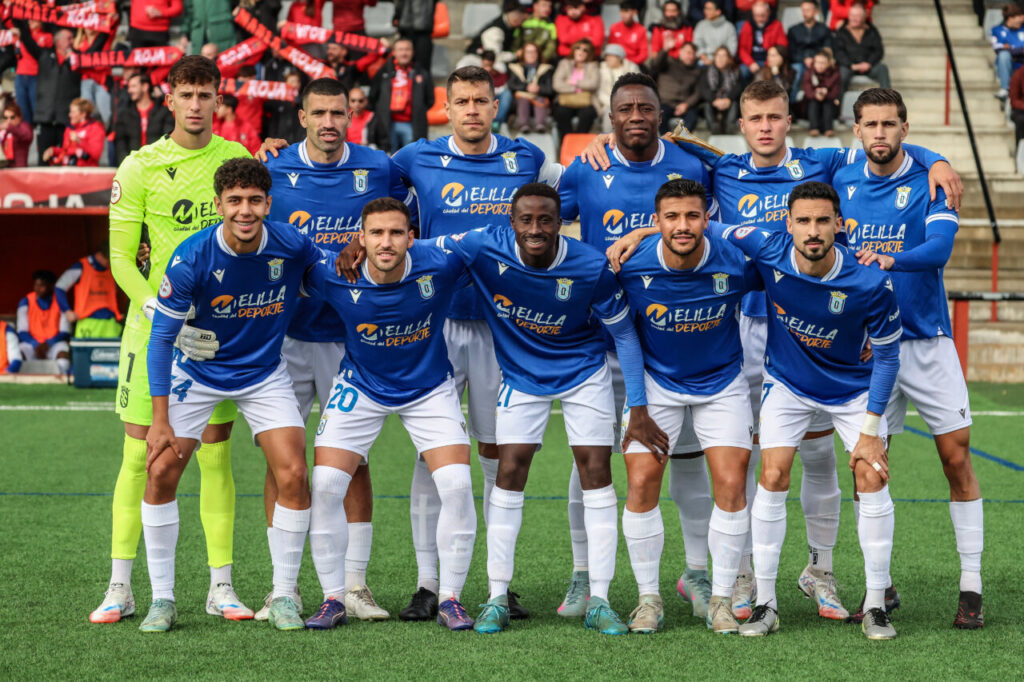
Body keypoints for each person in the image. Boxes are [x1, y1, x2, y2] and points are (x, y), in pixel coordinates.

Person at [598, 79, 961, 624]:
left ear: (790, 120)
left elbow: (884, 143)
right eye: (755, 118)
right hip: (745, 325)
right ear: (740, 126)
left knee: (817, 457)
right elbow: (692, 217)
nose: (765, 126)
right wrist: (648, 231)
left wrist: (935, 160)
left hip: (815, 324)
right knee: (749, 459)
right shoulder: (721, 169)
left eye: (774, 116)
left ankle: (821, 569)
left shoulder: (824, 162)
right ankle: (741, 574)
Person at [338, 65, 562, 622]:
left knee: (493, 451)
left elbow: (571, 188)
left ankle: (493, 583)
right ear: (445, 106)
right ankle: (428, 583)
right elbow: (369, 202)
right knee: (431, 452)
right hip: (434, 322)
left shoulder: (528, 159)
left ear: (496, 105)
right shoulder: (414, 158)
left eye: (481, 101)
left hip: (500, 326)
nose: (471, 111)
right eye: (460, 101)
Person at [434, 184, 658, 636]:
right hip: (521, 377)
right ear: (511, 222)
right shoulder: (483, 247)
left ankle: (599, 598)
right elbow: (422, 249)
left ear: (560, 223)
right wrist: (362, 241)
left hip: (584, 371)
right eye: (526, 220)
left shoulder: (590, 265)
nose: (536, 229)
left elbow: (626, 336)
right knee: (509, 471)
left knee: (596, 471)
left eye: (545, 220)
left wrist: (637, 407)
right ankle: (497, 595)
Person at [91, 55, 250, 626]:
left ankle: (221, 587)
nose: (196, 105)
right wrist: (167, 315)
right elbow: (119, 261)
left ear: (218, 98)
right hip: (155, 332)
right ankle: (120, 587)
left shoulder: (238, 160)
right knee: (141, 453)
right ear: (169, 99)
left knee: (215, 453)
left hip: (219, 336)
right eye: (186, 94)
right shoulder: (139, 166)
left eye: (205, 94)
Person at [559, 74, 716, 622]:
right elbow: (536, 224)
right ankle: (583, 577)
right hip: (600, 342)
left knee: (689, 458)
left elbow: (702, 232)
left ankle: (696, 572)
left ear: (660, 111)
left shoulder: (693, 166)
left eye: (645, 107)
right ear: (610, 115)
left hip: (676, 341)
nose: (635, 116)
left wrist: (646, 234)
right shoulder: (586, 167)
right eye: (624, 108)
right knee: (591, 459)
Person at [142, 158, 321, 632]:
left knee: (295, 471)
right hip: (197, 374)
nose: (245, 210)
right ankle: (163, 598)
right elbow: (160, 341)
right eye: (235, 201)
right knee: (161, 470)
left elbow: (329, 278)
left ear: (268, 203)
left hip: (263, 374)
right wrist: (159, 420)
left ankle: (283, 594)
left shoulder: (292, 245)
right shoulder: (191, 257)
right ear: (219, 204)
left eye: (255, 201)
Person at [255, 77, 410, 622]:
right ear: (300, 117)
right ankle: (284, 587)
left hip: (350, 336)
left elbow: (417, 217)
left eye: (338, 113)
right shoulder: (270, 169)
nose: (328, 122)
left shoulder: (380, 167)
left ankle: (355, 585)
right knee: (283, 464)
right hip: (287, 335)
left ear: (352, 115)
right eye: (318, 113)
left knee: (354, 460)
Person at [719, 181, 902, 641]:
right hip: (788, 383)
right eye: (803, 221)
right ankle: (765, 602)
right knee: (773, 474)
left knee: (871, 474)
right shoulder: (766, 245)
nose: (813, 230)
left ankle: (877, 605)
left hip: (851, 390)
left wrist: (870, 430)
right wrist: (638, 236)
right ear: (788, 224)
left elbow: (887, 357)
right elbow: (706, 230)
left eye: (823, 220)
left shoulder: (869, 280)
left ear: (839, 225)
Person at [836, 88, 984, 630]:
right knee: (866, 465)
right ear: (855, 130)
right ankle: (879, 588)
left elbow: (939, 252)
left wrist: (888, 257)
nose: (879, 133)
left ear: (905, 128)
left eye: (889, 124)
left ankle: (972, 585)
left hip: (926, 340)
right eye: (870, 124)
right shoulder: (842, 175)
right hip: (870, 346)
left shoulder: (930, 181)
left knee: (955, 458)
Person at [300, 197, 478, 631]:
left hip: (429, 387)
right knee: (325, 484)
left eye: (396, 232)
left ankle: (451, 598)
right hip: (360, 385)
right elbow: (276, 254)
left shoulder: (439, 261)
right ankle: (333, 598)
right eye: (376, 233)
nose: (386, 241)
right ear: (359, 239)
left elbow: (500, 237)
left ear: (411, 237)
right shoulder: (332, 270)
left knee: (456, 484)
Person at [614, 178, 758, 634]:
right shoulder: (630, 268)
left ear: (707, 220)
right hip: (656, 386)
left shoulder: (735, 262)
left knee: (732, 485)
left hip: (723, 383)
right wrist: (637, 406)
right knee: (641, 482)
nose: (682, 225)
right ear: (655, 222)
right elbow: (625, 336)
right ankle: (648, 599)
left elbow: (793, 279)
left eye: (692, 216)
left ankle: (720, 599)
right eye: (672, 217)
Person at [368, 38, 433, 152]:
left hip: (412, 124)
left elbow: (429, 100)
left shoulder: (422, 72)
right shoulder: (383, 72)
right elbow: (373, 96)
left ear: (413, 52)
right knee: (391, 160)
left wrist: (417, 110)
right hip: (387, 125)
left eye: (407, 49)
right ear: (394, 52)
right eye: (401, 49)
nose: (404, 53)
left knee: (411, 158)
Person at [56, 241, 124, 339]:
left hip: (110, 323)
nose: (109, 263)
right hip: (87, 322)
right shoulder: (81, 267)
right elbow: (59, 287)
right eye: (108, 260)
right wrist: (67, 310)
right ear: (99, 255)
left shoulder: (113, 269)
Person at [16, 270, 72, 375]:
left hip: (54, 344)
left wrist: (47, 345)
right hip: (32, 345)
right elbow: (22, 332)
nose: (38, 288)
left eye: (42, 285)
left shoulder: (60, 301)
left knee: (63, 355)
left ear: (51, 286)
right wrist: (36, 345)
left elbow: (65, 333)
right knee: (18, 354)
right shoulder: (25, 301)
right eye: (36, 285)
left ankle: (61, 383)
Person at [115, 72, 175, 165]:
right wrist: (126, 164)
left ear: (145, 87)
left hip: (157, 166)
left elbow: (169, 139)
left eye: (133, 86)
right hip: (132, 167)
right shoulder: (124, 114)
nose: (129, 90)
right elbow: (120, 143)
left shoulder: (163, 112)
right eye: (129, 87)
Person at [833, 3, 890, 98]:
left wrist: (869, 63)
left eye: (858, 16)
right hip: (849, 66)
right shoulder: (841, 31)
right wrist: (851, 65)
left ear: (864, 17)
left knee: (882, 68)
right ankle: (838, 105)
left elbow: (878, 50)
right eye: (852, 15)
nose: (854, 18)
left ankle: (888, 100)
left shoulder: (872, 30)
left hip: (868, 66)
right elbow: (838, 52)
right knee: (841, 74)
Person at [649, 41, 702, 133]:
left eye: (693, 54)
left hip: (684, 104)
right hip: (665, 102)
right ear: (680, 52)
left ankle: (683, 142)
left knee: (692, 118)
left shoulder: (696, 71)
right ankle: (667, 142)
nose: (690, 56)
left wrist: (687, 104)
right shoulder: (669, 62)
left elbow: (698, 92)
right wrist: (665, 50)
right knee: (660, 118)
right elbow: (655, 65)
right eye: (688, 52)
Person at [553, 38, 600, 141]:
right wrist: (575, 89)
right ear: (573, 50)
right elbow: (557, 84)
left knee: (588, 114)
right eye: (578, 48)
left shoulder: (593, 65)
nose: (581, 52)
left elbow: (593, 84)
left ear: (589, 53)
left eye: (585, 50)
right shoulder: (564, 63)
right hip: (566, 101)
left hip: (586, 102)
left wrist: (574, 82)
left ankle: (579, 143)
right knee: (561, 113)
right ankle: (567, 143)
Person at [463, 0, 526, 73]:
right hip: (478, 59)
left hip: (490, 61)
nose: (523, 22)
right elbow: (496, 56)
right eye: (522, 19)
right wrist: (515, 55)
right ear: (515, 18)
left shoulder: (511, 27)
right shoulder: (496, 30)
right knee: (500, 68)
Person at [787, 0, 831, 99]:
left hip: (819, 62)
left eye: (808, 10)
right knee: (796, 72)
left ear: (815, 11)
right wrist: (804, 58)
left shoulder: (824, 30)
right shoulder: (794, 30)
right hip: (799, 61)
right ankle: (790, 104)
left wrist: (815, 60)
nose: (804, 13)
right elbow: (791, 51)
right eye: (803, 10)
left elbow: (827, 49)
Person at [42, 98, 105, 166]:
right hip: (69, 170)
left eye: (73, 112)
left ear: (83, 114)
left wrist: (80, 141)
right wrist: (53, 151)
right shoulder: (70, 128)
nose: (70, 115)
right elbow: (65, 151)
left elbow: (96, 154)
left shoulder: (95, 128)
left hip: (87, 171)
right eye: (70, 112)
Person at [11, 19, 51, 126]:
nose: (30, 22)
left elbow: (39, 54)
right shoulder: (17, 35)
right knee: (22, 111)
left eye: (34, 19)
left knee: (36, 109)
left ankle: (39, 136)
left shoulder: (47, 37)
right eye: (29, 20)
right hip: (20, 76)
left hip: (36, 76)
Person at [509, 42, 556, 132]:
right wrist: (526, 87)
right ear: (523, 54)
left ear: (538, 54)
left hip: (538, 98)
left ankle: (540, 125)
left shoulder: (546, 69)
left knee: (541, 99)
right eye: (528, 52)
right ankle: (524, 125)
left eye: (534, 52)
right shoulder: (515, 68)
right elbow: (511, 84)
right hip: (521, 100)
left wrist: (539, 89)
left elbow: (550, 89)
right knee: (523, 99)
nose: (531, 55)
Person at [737, 0, 788, 80]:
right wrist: (750, 63)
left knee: (765, 76)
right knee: (740, 72)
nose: (760, 18)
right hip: (752, 60)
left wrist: (769, 62)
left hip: (769, 61)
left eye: (762, 15)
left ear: (768, 13)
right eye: (757, 15)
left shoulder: (776, 25)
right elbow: (742, 48)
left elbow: (782, 47)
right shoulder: (747, 25)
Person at [73, 28, 111, 128]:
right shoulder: (78, 43)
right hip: (86, 82)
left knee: (107, 116)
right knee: (85, 114)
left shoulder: (105, 39)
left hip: (102, 82)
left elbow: (111, 26)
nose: (89, 27)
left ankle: (110, 137)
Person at [596, 44, 638, 133]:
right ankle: (608, 141)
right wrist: (613, 103)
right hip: (608, 104)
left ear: (619, 57)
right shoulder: (601, 69)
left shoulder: (631, 68)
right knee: (610, 115)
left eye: (611, 56)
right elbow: (599, 92)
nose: (608, 59)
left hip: (629, 102)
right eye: (607, 56)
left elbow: (637, 88)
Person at [700, 46, 742, 134]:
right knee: (707, 105)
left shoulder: (735, 71)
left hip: (728, 102)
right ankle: (713, 127)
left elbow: (738, 87)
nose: (720, 59)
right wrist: (714, 100)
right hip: (713, 102)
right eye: (718, 56)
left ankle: (730, 126)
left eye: (724, 56)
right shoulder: (707, 70)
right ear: (714, 58)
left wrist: (728, 99)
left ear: (728, 58)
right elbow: (704, 88)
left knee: (734, 104)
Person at [802, 49, 840, 136]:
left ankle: (828, 129)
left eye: (823, 63)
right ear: (814, 62)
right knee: (813, 102)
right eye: (818, 62)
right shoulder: (809, 73)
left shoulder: (835, 74)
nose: (820, 65)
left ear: (828, 63)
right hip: (811, 103)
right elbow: (807, 91)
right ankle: (814, 128)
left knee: (828, 103)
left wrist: (826, 94)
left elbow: (835, 93)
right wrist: (816, 94)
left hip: (829, 103)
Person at [991, 2, 1024, 101]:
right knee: (1004, 55)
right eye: (1020, 16)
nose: (1022, 19)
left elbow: (1009, 50)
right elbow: (999, 49)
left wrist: (1012, 50)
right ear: (1011, 18)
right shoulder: (997, 30)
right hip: (1010, 67)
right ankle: (1005, 89)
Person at [394, 0, 436, 74]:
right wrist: (396, 15)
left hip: (423, 30)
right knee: (402, 63)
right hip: (405, 29)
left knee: (423, 68)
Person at [512, 0, 558, 64]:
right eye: (544, 5)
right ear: (535, 6)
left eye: (549, 6)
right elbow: (515, 43)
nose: (547, 9)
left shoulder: (551, 25)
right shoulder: (523, 22)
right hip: (521, 61)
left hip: (541, 62)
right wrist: (519, 55)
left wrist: (539, 59)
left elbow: (551, 47)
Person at [693, 0, 737, 67]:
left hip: (723, 62)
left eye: (709, 9)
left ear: (718, 12)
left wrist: (720, 61)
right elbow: (697, 45)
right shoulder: (701, 25)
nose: (705, 11)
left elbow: (732, 49)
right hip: (705, 62)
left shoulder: (729, 27)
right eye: (705, 8)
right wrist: (706, 59)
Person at [607, 0, 648, 67]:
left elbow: (643, 54)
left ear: (634, 12)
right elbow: (611, 49)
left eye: (626, 11)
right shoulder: (614, 28)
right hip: (617, 63)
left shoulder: (641, 29)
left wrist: (630, 62)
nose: (623, 15)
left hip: (634, 64)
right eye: (622, 11)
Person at [480, 51, 512, 131]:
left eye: (489, 65)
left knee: (507, 94)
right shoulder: (476, 74)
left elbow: (504, 86)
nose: (487, 68)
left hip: (496, 96)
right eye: (485, 65)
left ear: (493, 63)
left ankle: (496, 121)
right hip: (483, 96)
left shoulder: (499, 73)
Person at [0, 101, 33, 168]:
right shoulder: (4, 131)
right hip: (6, 167)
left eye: (12, 117)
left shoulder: (24, 126)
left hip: (20, 168)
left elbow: (27, 136)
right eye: (5, 118)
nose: (8, 121)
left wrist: (10, 128)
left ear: (19, 117)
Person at [1011, 64, 1024, 143]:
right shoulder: (1018, 75)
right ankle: (1021, 151)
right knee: (1021, 120)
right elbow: (1014, 100)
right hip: (1021, 111)